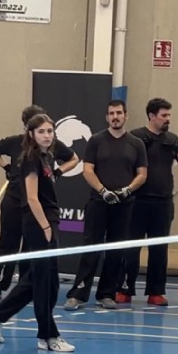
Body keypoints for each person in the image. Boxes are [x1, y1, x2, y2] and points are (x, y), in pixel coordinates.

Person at [0, 114, 75, 352]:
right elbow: (32, 198)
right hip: (38, 223)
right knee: (44, 282)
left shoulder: (47, 156)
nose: (47, 135)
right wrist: (45, 226)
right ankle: (48, 336)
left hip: (48, 220)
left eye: (50, 131)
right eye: (41, 131)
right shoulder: (31, 158)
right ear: (31, 133)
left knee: (39, 278)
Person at [63, 100, 148, 310]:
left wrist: (127, 190)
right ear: (107, 117)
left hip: (125, 205)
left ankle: (106, 294)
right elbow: (88, 170)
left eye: (119, 113)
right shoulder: (96, 140)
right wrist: (103, 191)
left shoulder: (136, 143)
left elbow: (142, 174)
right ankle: (79, 294)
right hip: (98, 203)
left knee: (115, 250)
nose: (115, 116)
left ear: (126, 116)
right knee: (91, 246)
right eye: (111, 113)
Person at [116, 97, 178, 306]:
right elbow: (124, 164)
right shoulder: (135, 137)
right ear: (152, 116)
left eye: (169, 115)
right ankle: (125, 288)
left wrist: (177, 148)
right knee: (131, 247)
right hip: (137, 201)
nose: (168, 119)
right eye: (164, 115)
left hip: (162, 202)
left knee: (159, 249)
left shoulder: (172, 139)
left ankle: (156, 292)